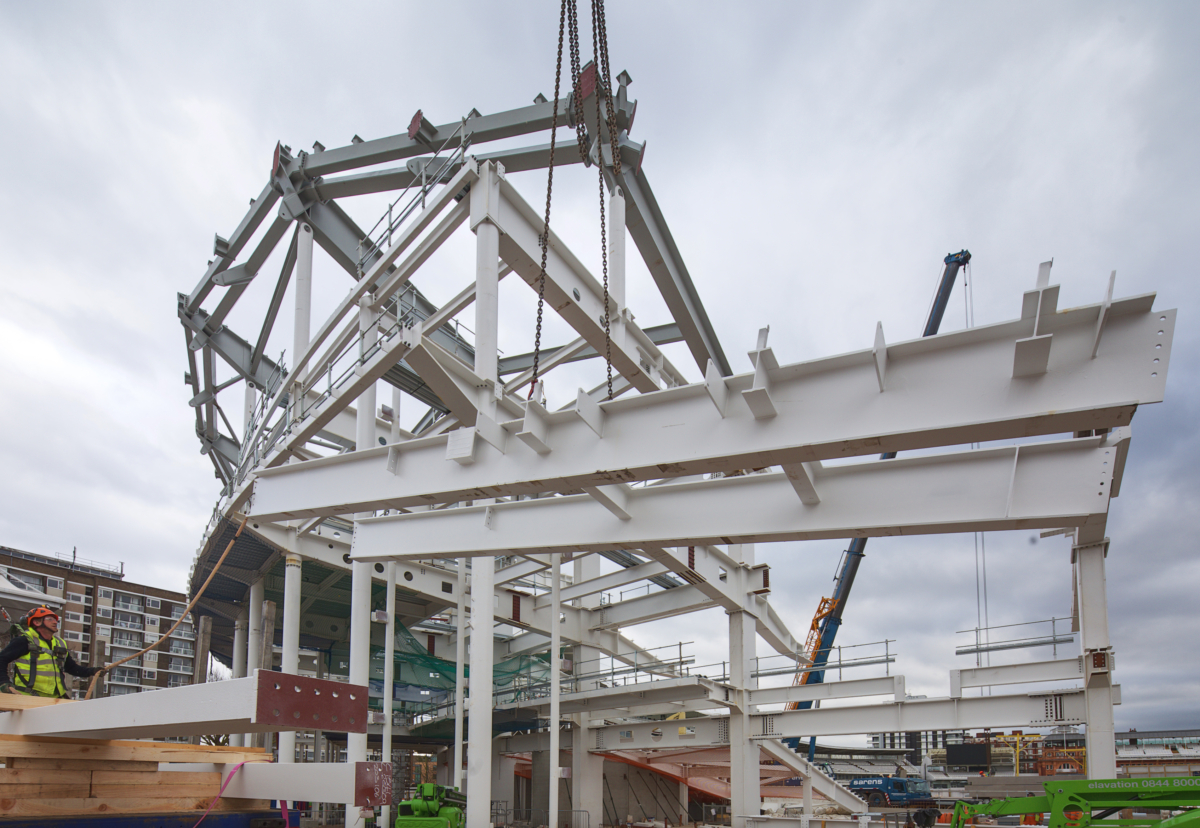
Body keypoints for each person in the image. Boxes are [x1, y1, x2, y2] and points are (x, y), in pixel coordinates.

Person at [0, 606, 103, 697]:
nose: (55, 622)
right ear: (36, 622)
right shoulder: (24, 641)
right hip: (28, 696)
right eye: (50, 619)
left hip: (54, 698)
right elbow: (2, 659)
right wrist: (4, 683)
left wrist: (92, 671)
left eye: (55, 620)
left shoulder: (59, 644)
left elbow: (72, 668)